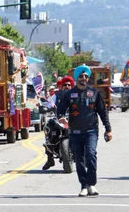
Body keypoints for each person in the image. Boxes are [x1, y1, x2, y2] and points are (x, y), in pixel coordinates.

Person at [57, 64, 112, 197]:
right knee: (79, 160)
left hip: (91, 131)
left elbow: (103, 112)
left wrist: (108, 129)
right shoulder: (69, 94)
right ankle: (83, 186)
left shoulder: (94, 93)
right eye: (81, 76)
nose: (83, 78)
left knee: (91, 154)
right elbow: (60, 110)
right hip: (75, 132)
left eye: (86, 76)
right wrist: (61, 118)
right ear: (76, 78)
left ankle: (91, 184)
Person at [43, 76, 75, 170]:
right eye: (65, 84)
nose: (67, 86)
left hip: (72, 118)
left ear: (72, 85)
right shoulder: (56, 96)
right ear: (62, 86)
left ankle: (85, 156)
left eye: (69, 85)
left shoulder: (76, 95)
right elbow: (50, 104)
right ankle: (50, 159)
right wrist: (47, 108)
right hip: (59, 118)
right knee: (48, 128)